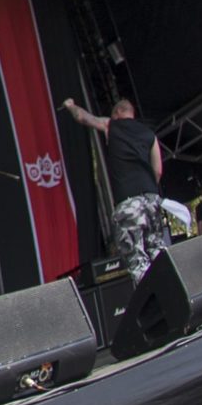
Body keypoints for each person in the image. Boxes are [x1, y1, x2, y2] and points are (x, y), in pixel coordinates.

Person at [60, 96, 166, 282]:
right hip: (151, 198)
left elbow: (84, 117)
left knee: (137, 260)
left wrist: (71, 106)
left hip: (129, 200)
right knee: (158, 250)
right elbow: (157, 170)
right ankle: (174, 291)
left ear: (117, 113)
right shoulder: (150, 135)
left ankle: (156, 302)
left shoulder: (112, 125)